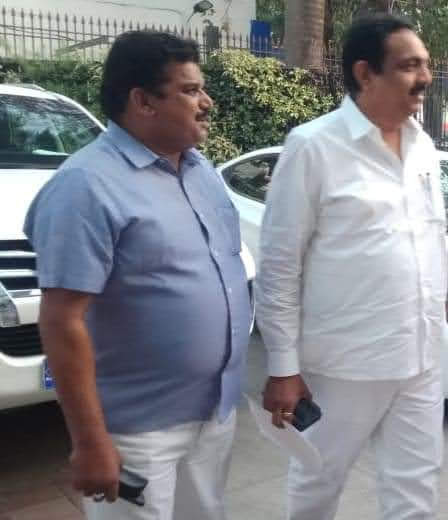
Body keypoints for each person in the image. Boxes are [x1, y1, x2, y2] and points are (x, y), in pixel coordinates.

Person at [24, 31, 252, 520]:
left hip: (213, 413)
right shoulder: (85, 187)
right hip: (137, 431)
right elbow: (62, 321)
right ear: (143, 101)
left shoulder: (200, 172)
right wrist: (90, 440)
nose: (206, 102)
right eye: (190, 90)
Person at [255, 14, 445, 520]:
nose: (425, 77)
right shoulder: (314, 146)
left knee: (416, 488)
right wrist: (283, 367)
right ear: (365, 73)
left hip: (422, 356)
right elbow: (279, 265)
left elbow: (430, 241)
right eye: (409, 66)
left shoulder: (423, 147)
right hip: (344, 364)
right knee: (318, 480)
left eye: (425, 65)